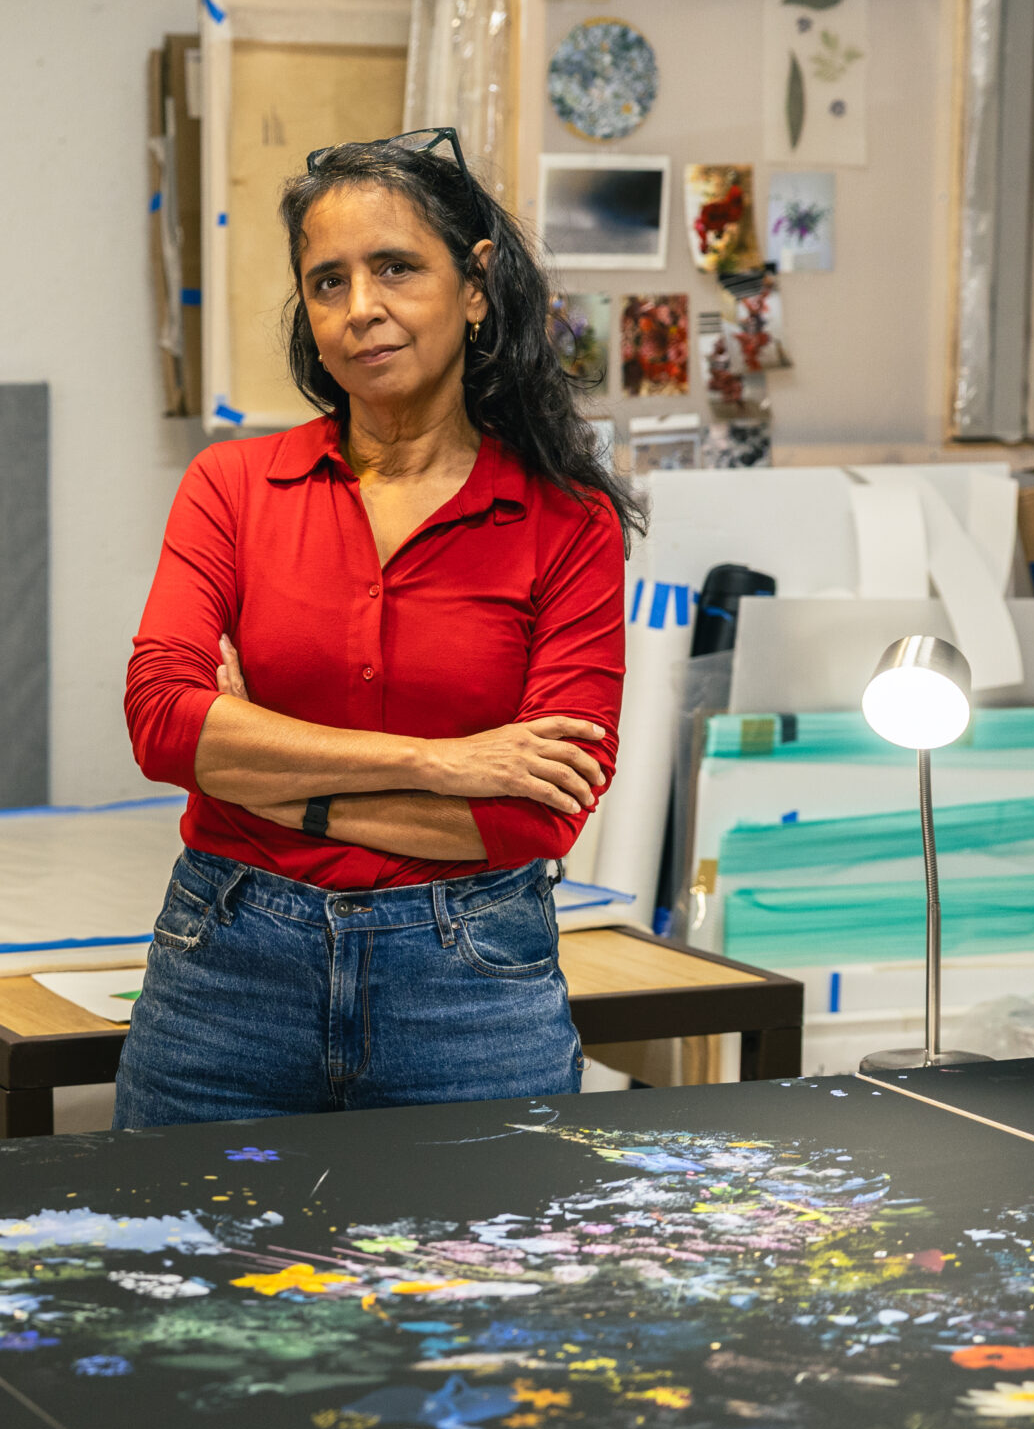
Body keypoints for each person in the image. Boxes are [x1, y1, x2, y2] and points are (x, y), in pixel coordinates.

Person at [117, 129, 645, 1129]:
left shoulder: (564, 520)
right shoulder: (231, 487)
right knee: (184, 1275)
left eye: (395, 267)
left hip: (468, 988)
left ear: (475, 285)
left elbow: (533, 815)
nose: (360, 308)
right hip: (226, 975)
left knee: (473, 1286)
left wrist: (265, 774)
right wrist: (447, 766)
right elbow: (164, 728)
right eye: (327, 282)